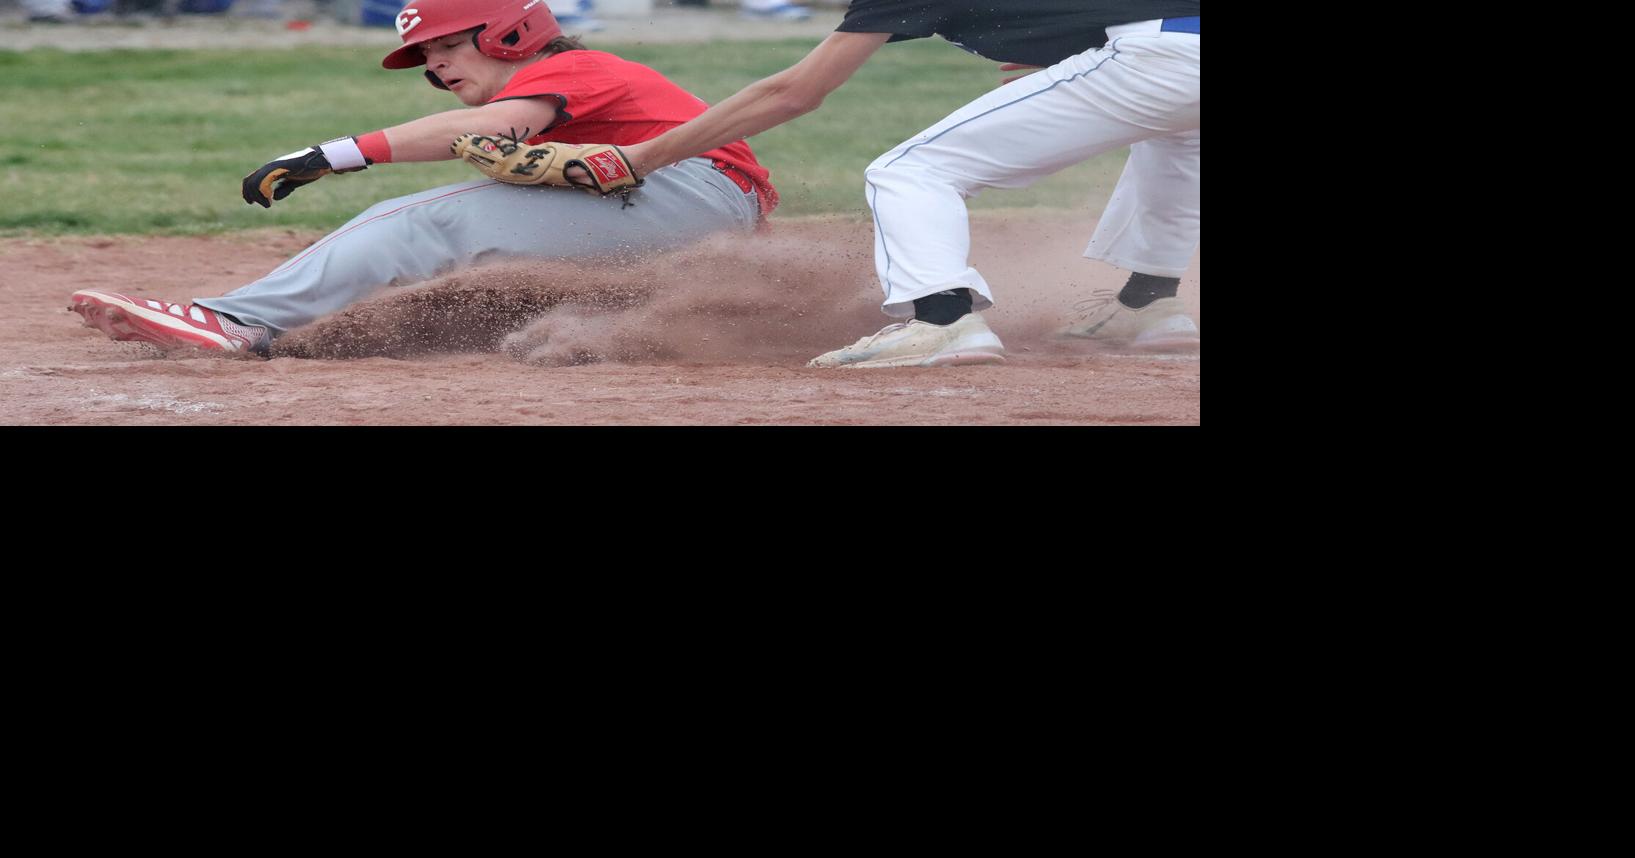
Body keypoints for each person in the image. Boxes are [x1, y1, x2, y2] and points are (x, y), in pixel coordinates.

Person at [69, 0, 777, 355]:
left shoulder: (572, 69)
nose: (435, 66)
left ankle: (234, 321)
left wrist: (332, 153)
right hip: (687, 214)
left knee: (425, 219)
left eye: (445, 44)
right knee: (484, 245)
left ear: (508, 33)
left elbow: (478, 135)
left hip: (684, 190)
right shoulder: (566, 81)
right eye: (425, 55)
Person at [581, 0, 1200, 367]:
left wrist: (643, 158)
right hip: (1177, 44)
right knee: (1177, 136)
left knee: (911, 170)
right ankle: (1150, 305)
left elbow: (794, 92)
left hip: (1159, 56)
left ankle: (941, 319)